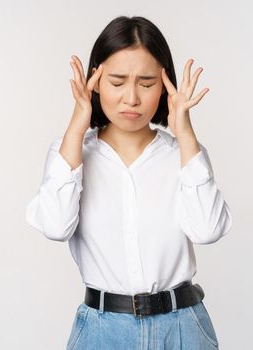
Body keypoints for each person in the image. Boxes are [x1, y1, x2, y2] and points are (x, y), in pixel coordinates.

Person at [25, 15, 231, 349]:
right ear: (96, 79)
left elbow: (208, 230)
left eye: (147, 83)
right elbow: (54, 226)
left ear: (165, 86)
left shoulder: (182, 154)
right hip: (102, 330)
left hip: (182, 329)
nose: (131, 98)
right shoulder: (72, 152)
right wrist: (77, 128)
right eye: (118, 82)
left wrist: (186, 132)